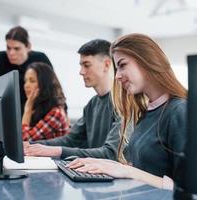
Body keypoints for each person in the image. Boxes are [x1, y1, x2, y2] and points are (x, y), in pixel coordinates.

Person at [67, 33, 187, 190]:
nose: (117, 76)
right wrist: (105, 164)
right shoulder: (146, 113)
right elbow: (145, 168)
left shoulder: (179, 111)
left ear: (147, 61)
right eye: (117, 68)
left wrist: (128, 171)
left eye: (122, 65)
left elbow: (188, 189)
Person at [24, 39, 121, 159]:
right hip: (95, 171)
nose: (81, 72)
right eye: (81, 66)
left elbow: (110, 154)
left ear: (106, 65)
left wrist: (56, 151)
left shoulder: (122, 103)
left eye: (87, 65)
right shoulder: (92, 105)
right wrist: (31, 145)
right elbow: (71, 140)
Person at [22, 62, 69, 141]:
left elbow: (25, 139)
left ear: (44, 84)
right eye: (25, 81)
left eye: (32, 81)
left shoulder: (56, 112)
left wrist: (27, 109)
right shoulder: (38, 107)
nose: (26, 85)